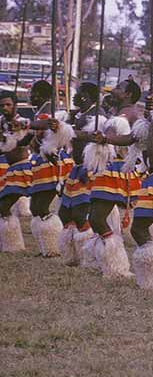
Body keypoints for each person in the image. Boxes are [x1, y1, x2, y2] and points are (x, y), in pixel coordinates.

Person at [91, 72, 153, 288]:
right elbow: (130, 139)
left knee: (140, 228)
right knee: (139, 228)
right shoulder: (149, 118)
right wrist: (105, 139)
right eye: (151, 84)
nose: (152, 88)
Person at [83, 79, 141, 279]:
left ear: (128, 95)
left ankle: (118, 266)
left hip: (116, 169)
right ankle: (107, 262)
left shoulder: (131, 113)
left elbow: (123, 140)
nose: (114, 89)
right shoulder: (120, 113)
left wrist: (96, 137)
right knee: (98, 218)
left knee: (97, 218)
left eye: (119, 88)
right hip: (108, 168)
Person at [25, 80, 72, 257]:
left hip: (51, 162)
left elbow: (45, 136)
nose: (30, 97)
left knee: (42, 206)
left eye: (33, 93)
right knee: (35, 208)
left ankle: (55, 247)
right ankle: (47, 247)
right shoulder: (42, 112)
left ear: (41, 94)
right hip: (41, 162)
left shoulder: (48, 114)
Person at [56, 83, 102, 266]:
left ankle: (88, 256)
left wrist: (68, 129)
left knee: (81, 213)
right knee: (65, 212)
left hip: (88, 167)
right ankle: (72, 255)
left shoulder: (97, 116)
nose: (75, 97)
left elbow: (93, 138)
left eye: (79, 94)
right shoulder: (80, 114)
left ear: (89, 97)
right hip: (76, 167)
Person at [0, 90, 32, 252]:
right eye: (2, 105)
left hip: (22, 168)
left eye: (8, 105)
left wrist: (19, 132)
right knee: (3, 207)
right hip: (10, 169)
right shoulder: (1, 122)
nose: (5, 108)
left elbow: (28, 139)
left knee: (3, 206)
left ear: (15, 106)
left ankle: (13, 245)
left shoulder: (22, 122)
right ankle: (10, 244)